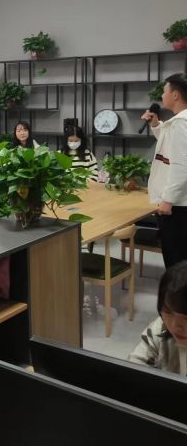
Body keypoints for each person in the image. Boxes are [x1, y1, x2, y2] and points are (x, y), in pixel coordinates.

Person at [142, 73, 187, 268]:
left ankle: (176, 289)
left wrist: (168, 199)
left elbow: (182, 165)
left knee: (176, 260)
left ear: (175, 95)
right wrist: (155, 125)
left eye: (164, 90)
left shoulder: (181, 124)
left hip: (177, 206)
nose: (162, 95)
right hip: (179, 203)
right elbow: (170, 144)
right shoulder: (179, 123)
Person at [129, 261, 187, 374]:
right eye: (168, 312)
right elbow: (135, 365)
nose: (175, 325)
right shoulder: (160, 329)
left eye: (185, 318)